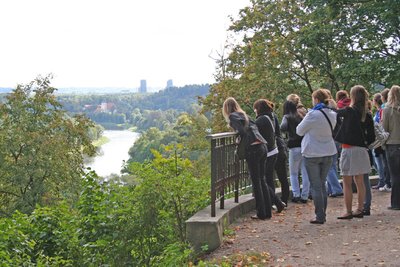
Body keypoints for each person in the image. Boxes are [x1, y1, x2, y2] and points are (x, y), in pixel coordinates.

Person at [222, 97, 284, 220]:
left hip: (253, 150)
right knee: (262, 180)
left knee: (256, 182)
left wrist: (238, 139)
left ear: (226, 109)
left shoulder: (233, 117)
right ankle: (267, 212)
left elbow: (242, 131)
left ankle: (261, 212)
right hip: (262, 146)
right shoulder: (244, 115)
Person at [296, 89, 337, 224]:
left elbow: (299, 130)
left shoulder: (313, 114)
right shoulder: (332, 113)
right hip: (328, 151)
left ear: (317, 100)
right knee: (322, 183)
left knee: (316, 185)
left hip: (312, 153)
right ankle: (322, 213)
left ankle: (320, 216)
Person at [335, 85, 375, 220]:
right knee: (360, 181)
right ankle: (360, 208)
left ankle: (348, 210)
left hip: (348, 148)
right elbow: (372, 137)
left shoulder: (349, 111)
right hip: (362, 149)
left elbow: (336, 113)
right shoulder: (367, 114)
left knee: (347, 181)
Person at [253, 99, 287, 210]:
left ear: (258, 109)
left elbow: (254, 133)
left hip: (267, 152)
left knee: (263, 179)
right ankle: (274, 202)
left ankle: (276, 202)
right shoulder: (272, 116)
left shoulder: (261, 120)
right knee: (268, 178)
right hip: (274, 149)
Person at [281, 100, 310, 204]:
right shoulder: (301, 116)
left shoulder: (287, 117)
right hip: (304, 146)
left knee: (293, 173)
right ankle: (305, 195)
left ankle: (296, 194)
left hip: (293, 146)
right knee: (305, 172)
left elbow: (283, 127)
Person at [382, 85, 400, 210]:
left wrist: (383, 144)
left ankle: (396, 203)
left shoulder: (388, 110)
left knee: (395, 175)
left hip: (392, 144)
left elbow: (385, 130)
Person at [371, 93, 387, 190]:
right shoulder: (380, 111)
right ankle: (383, 180)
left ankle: (382, 181)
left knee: (379, 163)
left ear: (376, 101)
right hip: (380, 140)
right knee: (381, 162)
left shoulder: (380, 112)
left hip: (379, 141)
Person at [378, 88, 392, 192]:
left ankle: (388, 183)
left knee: (386, 164)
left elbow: (383, 126)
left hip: (388, 140)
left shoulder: (385, 109)